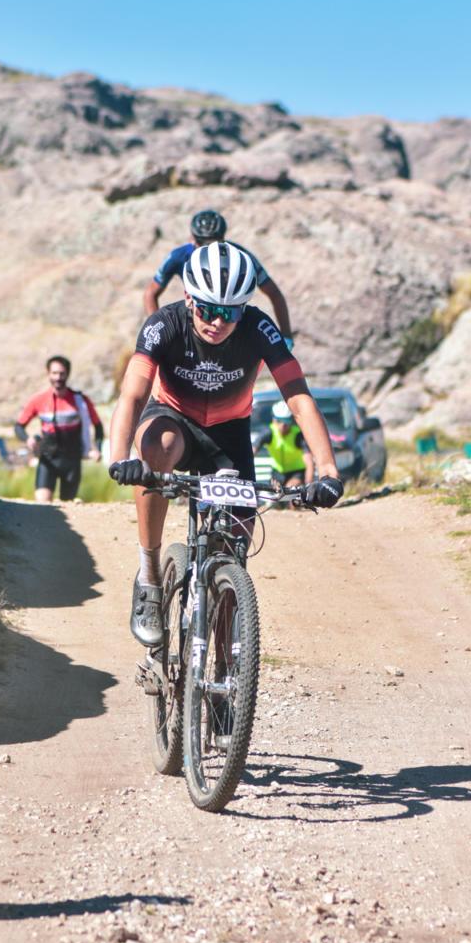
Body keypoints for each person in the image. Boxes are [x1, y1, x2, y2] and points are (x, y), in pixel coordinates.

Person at [109, 241, 342, 647]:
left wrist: (327, 471)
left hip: (228, 432)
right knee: (158, 448)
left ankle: (225, 666)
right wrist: (120, 458)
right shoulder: (163, 324)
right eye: (208, 309)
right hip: (173, 419)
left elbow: (299, 399)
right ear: (189, 298)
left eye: (230, 312)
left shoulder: (259, 328)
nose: (218, 321)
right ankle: (149, 576)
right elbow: (132, 395)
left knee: (234, 550)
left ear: (244, 309)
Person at [143, 208, 293, 343]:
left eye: (214, 242)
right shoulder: (178, 256)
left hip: (229, 322)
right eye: (202, 243)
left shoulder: (240, 258)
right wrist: (158, 331)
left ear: (223, 239)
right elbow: (150, 293)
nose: (208, 248)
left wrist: (286, 336)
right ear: (192, 239)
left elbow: (274, 294)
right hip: (199, 319)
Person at [15, 356, 104, 503]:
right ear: (48, 374)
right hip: (48, 459)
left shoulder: (80, 401)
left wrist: (97, 449)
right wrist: (28, 439)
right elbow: (19, 427)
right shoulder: (38, 400)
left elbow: (98, 426)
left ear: (68, 374)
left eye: (62, 373)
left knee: (68, 505)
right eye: (54, 373)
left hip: (72, 460)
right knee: (42, 503)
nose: (58, 377)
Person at [263, 399, 311, 493]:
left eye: (286, 421)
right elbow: (252, 450)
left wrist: (308, 483)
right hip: (277, 472)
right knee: (275, 494)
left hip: (297, 472)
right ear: (274, 420)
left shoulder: (298, 435)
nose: (283, 425)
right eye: (279, 421)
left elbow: (309, 461)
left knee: (290, 490)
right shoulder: (269, 432)